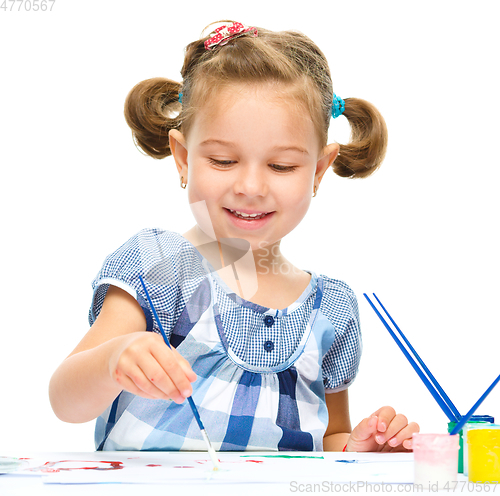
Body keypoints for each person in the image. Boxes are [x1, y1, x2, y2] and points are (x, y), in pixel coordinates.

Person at [49, 21, 419, 452]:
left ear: (319, 170)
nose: (250, 186)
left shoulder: (332, 310)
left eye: (281, 166)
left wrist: (359, 449)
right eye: (223, 160)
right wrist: (114, 359)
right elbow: (65, 400)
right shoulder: (161, 267)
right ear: (183, 157)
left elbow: (330, 436)